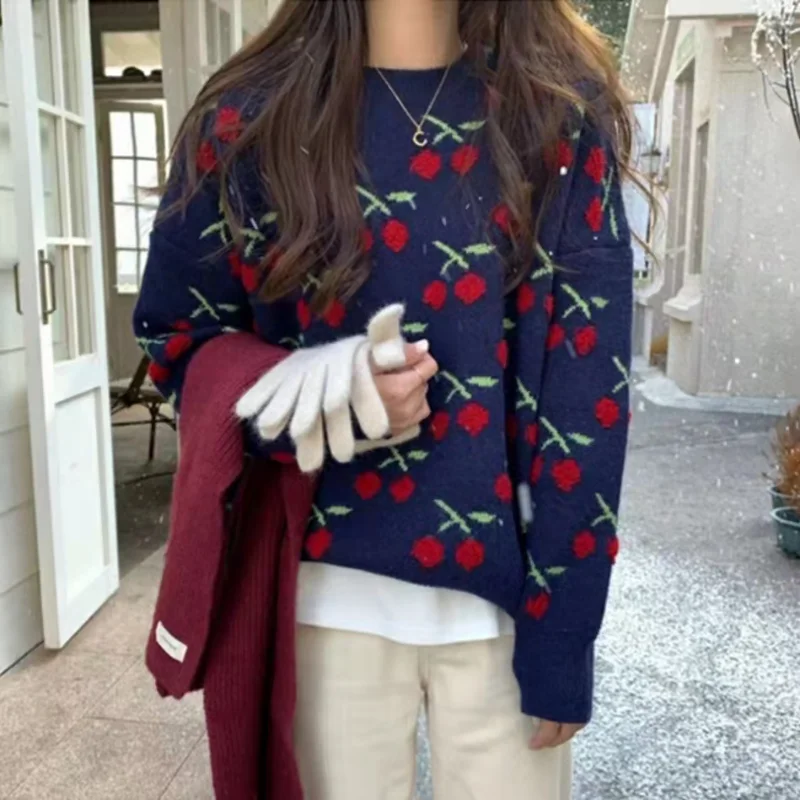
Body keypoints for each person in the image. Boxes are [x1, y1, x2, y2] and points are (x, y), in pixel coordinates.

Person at [134, 1, 635, 797]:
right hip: (323, 606)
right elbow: (180, 340)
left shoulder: (557, 116)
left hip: (506, 615)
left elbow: (588, 393)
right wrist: (318, 399)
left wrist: (566, 633)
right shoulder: (247, 120)